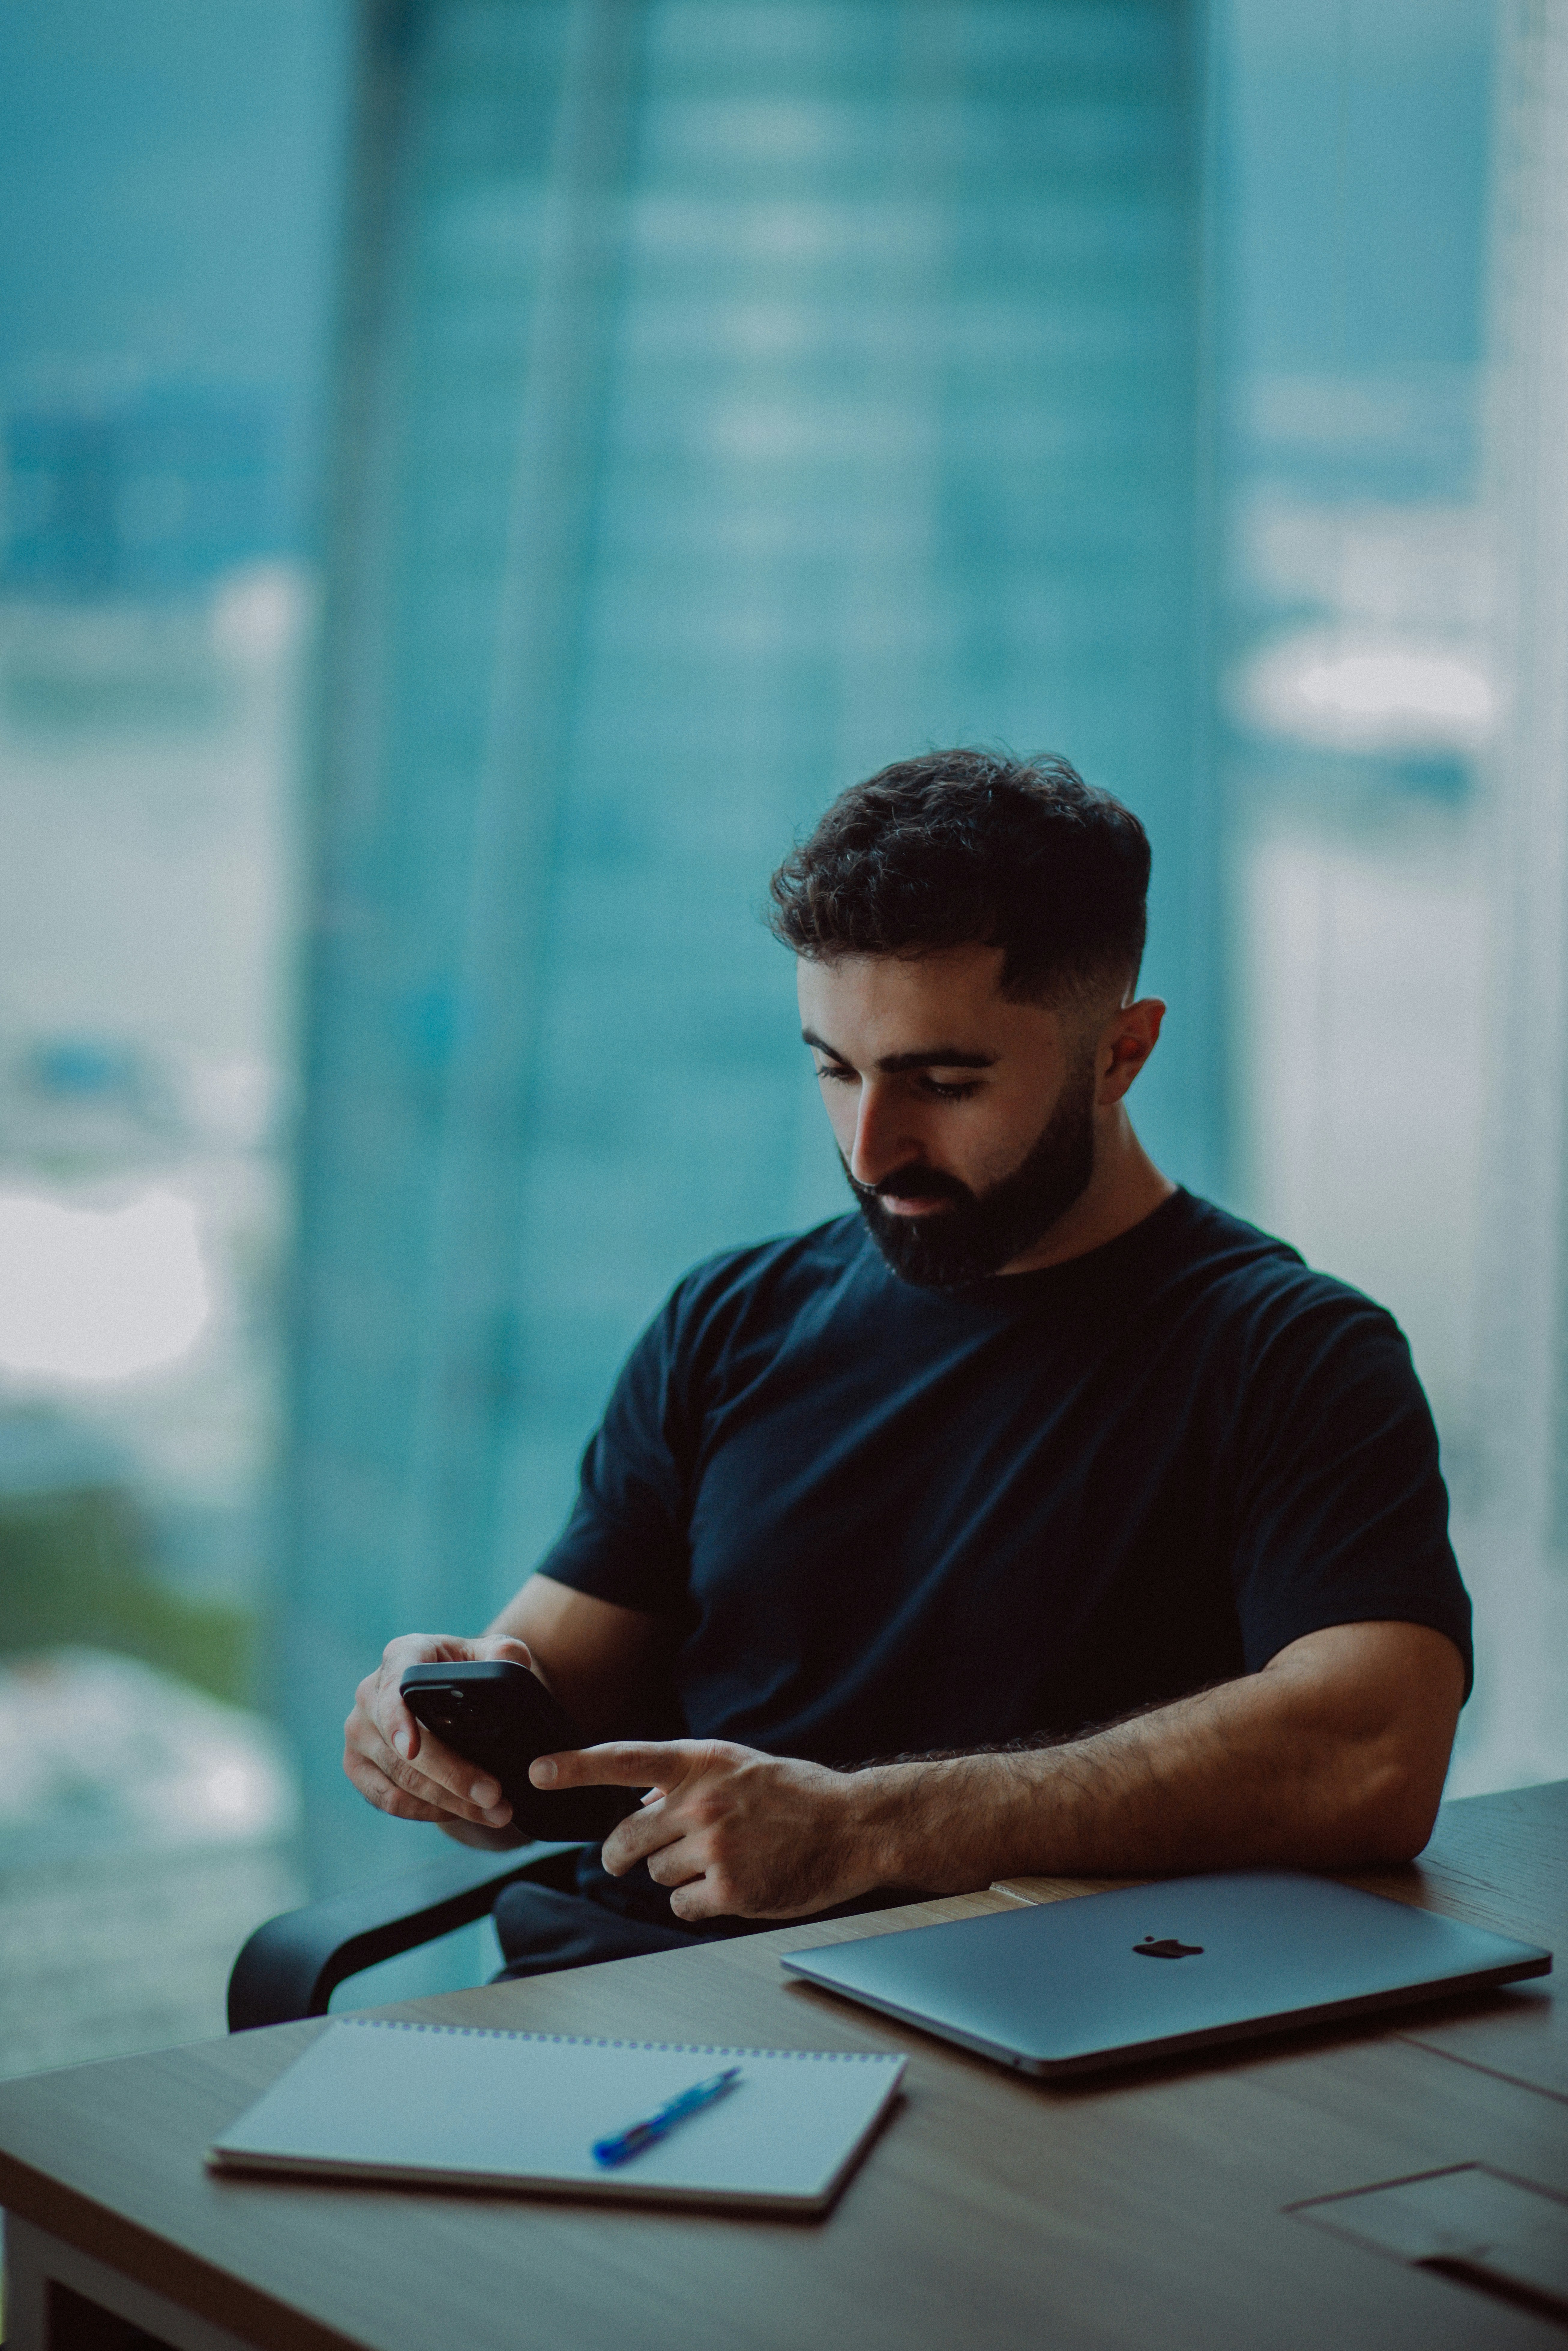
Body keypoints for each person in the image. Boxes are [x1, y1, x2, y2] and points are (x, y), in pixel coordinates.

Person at [344, 749, 1471, 1979]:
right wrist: (438, 1735)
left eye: (943, 1082)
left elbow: (1370, 1750)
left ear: (1118, 1054)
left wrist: (866, 1829)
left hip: (1004, 2033)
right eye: (834, 1070)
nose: (873, 1149)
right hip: (616, 1999)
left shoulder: (1288, 1354)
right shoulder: (727, 1318)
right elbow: (547, 1700)